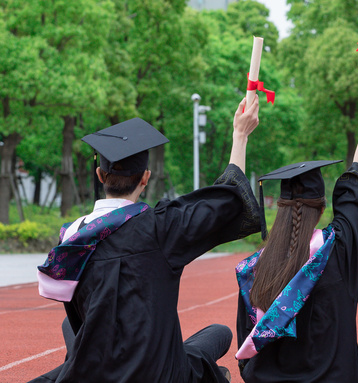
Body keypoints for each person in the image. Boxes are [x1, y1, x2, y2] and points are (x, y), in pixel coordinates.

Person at [32, 96, 263, 383]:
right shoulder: (161, 228)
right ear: (145, 178)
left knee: (74, 325)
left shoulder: (73, 239)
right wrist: (239, 135)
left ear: (100, 175)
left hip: (96, 369)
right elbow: (226, 202)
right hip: (158, 373)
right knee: (219, 334)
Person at [234, 76, 358, 383]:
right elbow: (354, 182)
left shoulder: (254, 270)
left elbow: (247, 343)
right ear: (321, 208)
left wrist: (240, 135)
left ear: (278, 207)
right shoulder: (337, 247)